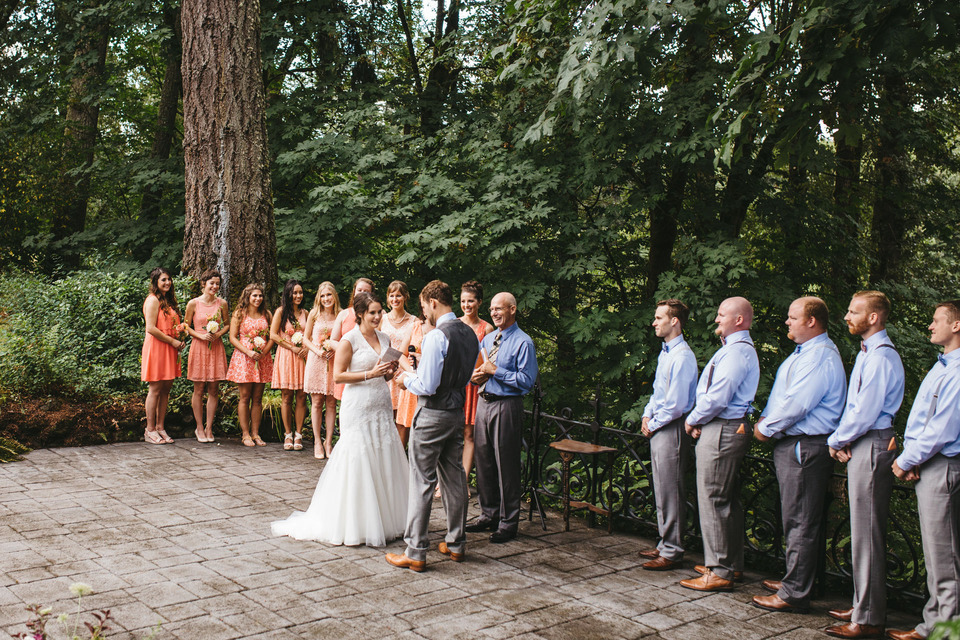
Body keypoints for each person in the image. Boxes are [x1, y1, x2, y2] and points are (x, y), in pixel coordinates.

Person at [271, 292, 408, 547]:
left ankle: (388, 519)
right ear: (360, 315)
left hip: (380, 402)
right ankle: (355, 522)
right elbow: (339, 376)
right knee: (358, 457)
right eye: (372, 313)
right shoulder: (349, 340)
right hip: (357, 406)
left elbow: (384, 376)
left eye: (380, 312)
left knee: (384, 456)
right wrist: (370, 373)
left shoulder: (385, 337)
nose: (378, 317)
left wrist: (388, 372)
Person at [752, 296, 846, 613]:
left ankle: (795, 592)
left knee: (802, 520)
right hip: (794, 443)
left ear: (811, 321)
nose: (787, 322)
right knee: (795, 518)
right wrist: (767, 420)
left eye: (793, 317)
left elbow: (798, 404)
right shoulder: (804, 353)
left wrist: (766, 428)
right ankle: (798, 579)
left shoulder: (819, 356)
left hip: (805, 445)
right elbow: (784, 396)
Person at [823, 291, 904, 639]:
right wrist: (844, 438)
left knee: (868, 534)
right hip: (863, 442)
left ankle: (869, 618)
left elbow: (865, 411)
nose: (846, 317)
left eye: (854, 311)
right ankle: (862, 605)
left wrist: (836, 439)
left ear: (874, 317)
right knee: (861, 532)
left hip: (871, 444)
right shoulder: (868, 354)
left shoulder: (881, 358)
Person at [385, 280, 480, 571]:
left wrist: (404, 380)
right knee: (454, 477)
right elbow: (464, 377)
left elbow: (426, 384)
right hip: (456, 412)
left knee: (422, 480)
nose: (424, 313)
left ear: (434, 303)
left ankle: (415, 551)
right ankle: (456, 543)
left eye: (424, 307)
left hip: (432, 413)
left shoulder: (438, 336)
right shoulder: (470, 334)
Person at [886, 301, 960, 640]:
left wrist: (905, 460)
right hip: (930, 463)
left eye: (936, 320)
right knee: (936, 554)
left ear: (956, 325)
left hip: (942, 465)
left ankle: (945, 632)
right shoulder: (943, 365)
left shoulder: (958, 370)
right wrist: (914, 458)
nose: (930, 326)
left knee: (944, 557)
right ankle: (933, 626)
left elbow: (942, 428)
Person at [679, 297, 759, 591]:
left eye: (722, 314)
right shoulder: (734, 350)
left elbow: (719, 396)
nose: (716, 319)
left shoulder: (738, 353)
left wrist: (694, 419)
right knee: (726, 498)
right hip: (724, 426)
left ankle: (719, 570)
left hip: (723, 427)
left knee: (713, 497)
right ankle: (730, 564)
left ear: (739, 320)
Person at [467, 292, 538, 544]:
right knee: (483, 462)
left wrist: (496, 370)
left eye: (500, 308)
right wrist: (475, 377)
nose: (495, 312)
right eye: (492, 309)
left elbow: (526, 381)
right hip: (483, 403)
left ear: (513, 309)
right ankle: (489, 514)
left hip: (507, 405)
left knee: (506, 464)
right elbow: (478, 370)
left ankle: (509, 522)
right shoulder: (488, 338)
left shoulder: (523, 342)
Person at [636, 299, 698, 570]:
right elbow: (658, 392)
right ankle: (664, 542)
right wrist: (646, 415)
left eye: (659, 317)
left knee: (671, 488)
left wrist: (655, 421)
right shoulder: (666, 353)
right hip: (659, 425)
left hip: (671, 427)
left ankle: (673, 550)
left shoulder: (683, 356)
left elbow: (676, 404)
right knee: (661, 487)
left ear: (675, 321)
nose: (654, 322)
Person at [183, 269, 229, 443]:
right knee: (198, 388)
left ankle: (209, 427)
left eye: (217, 283)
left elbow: (227, 325)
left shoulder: (222, 303)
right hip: (199, 346)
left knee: (214, 389)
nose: (215, 286)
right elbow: (186, 326)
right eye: (212, 283)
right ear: (204, 284)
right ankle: (199, 427)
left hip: (215, 347)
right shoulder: (193, 303)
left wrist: (218, 334)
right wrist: (200, 335)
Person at [226, 284, 274, 447]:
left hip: (262, 358)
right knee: (245, 396)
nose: (258, 299)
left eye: (260, 296)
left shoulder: (267, 314)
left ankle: (256, 433)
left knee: (258, 398)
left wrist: (264, 352)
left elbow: (272, 336)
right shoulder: (239, 314)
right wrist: (248, 352)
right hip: (244, 358)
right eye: (254, 296)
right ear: (247, 296)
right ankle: (245, 434)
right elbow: (232, 338)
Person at [141, 267, 184, 445]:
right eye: (163, 280)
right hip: (157, 347)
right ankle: (149, 429)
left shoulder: (169, 301)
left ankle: (160, 427)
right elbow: (151, 328)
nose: (167, 283)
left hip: (170, 347)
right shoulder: (152, 300)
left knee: (166, 389)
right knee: (155, 388)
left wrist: (180, 337)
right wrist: (172, 341)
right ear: (156, 282)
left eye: (169, 279)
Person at [459, 280, 494, 486]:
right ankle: (445, 479)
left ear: (479, 302)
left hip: (474, 386)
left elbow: (489, 360)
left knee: (469, 434)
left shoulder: (487, 328)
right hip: (456, 383)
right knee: (450, 432)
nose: (466, 305)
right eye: (463, 301)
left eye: (470, 301)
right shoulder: (453, 323)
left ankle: (463, 481)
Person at [270, 280, 309, 451]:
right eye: (295, 293)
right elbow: (273, 334)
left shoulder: (306, 313)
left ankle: (299, 434)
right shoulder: (281, 312)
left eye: (300, 292)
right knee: (287, 397)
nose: (298, 296)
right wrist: (291, 346)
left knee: (301, 396)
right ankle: (287, 434)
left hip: (302, 357)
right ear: (288, 294)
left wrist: (305, 348)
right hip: (286, 355)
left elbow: (311, 335)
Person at [303, 281, 340, 459]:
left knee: (332, 403)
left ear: (334, 296)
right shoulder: (314, 314)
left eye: (329, 295)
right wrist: (318, 350)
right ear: (319, 298)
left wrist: (334, 349)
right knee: (317, 402)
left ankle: (328, 442)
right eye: (323, 295)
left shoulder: (340, 315)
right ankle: (317, 440)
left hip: (334, 361)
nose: (326, 299)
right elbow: (305, 338)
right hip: (316, 360)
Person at [380, 280, 417, 447]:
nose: (395, 299)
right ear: (387, 298)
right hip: (386, 370)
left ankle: (401, 453)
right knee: (386, 414)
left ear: (405, 297)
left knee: (402, 417)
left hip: (404, 372)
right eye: (392, 295)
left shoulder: (414, 321)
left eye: (399, 295)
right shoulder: (382, 319)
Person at [330, 277, 375, 403]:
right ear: (354, 292)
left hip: (367, 366)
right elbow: (333, 340)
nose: (362, 293)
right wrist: (346, 352)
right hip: (347, 366)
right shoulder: (344, 314)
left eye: (366, 291)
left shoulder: (377, 315)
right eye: (359, 290)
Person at [396, 314, 434, 439]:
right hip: (412, 379)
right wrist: (411, 372)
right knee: (404, 425)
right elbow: (401, 354)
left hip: (431, 381)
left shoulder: (443, 328)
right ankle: (401, 457)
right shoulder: (414, 327)